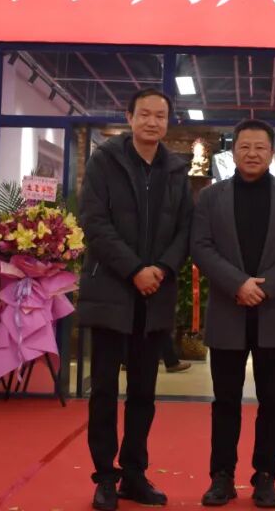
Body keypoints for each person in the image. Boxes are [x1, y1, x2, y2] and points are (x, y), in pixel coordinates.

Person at [78, 88, 192, 511]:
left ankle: (134, 474)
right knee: (104, 390)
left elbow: (186, 229)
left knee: (144, 392)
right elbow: (94, 222)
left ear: (168, 122)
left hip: (155, 294)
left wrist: (160, 268)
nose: (152, 122)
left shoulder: (176, 169)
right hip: (111, 289)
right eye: (144, 114)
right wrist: (134, 270)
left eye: (160, 115)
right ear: (129, 117)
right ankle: (105, 478)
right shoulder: (104, 161)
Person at [191, 119, 275, 508]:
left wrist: (266, 286)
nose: (252, 153)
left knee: (273, 401)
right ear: (233, 152)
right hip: (228, 311)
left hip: (273, 312)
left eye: (260, 147)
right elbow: (201, 246)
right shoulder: (211, 197)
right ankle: (222, 477)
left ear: (272, 152)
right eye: (245, 146)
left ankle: (265, 476)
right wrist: (238, 284)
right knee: (225, 400)